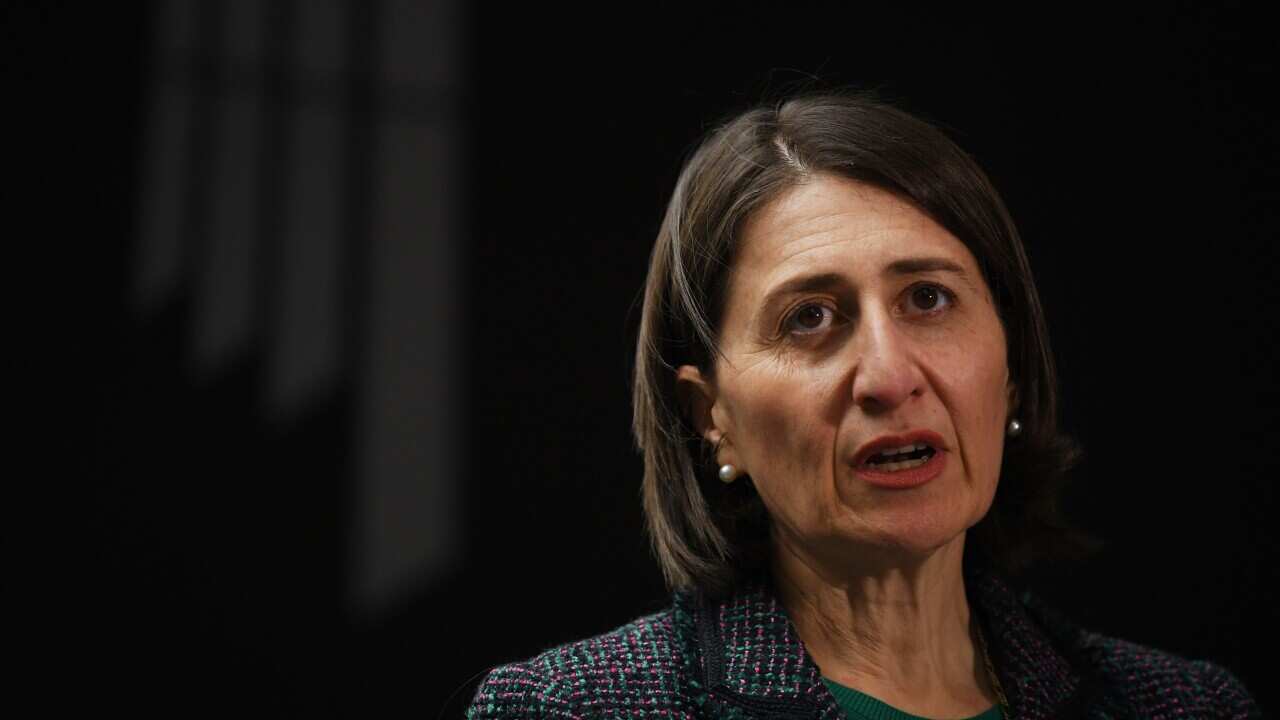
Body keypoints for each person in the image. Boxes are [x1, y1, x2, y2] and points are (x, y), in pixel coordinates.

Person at [466, 91, 1262, 719]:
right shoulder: (570, 710)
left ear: (1010, 370)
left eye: (928, 298)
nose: (887, 376)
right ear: (713, 418)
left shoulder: (1189, 707)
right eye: (810, 317)